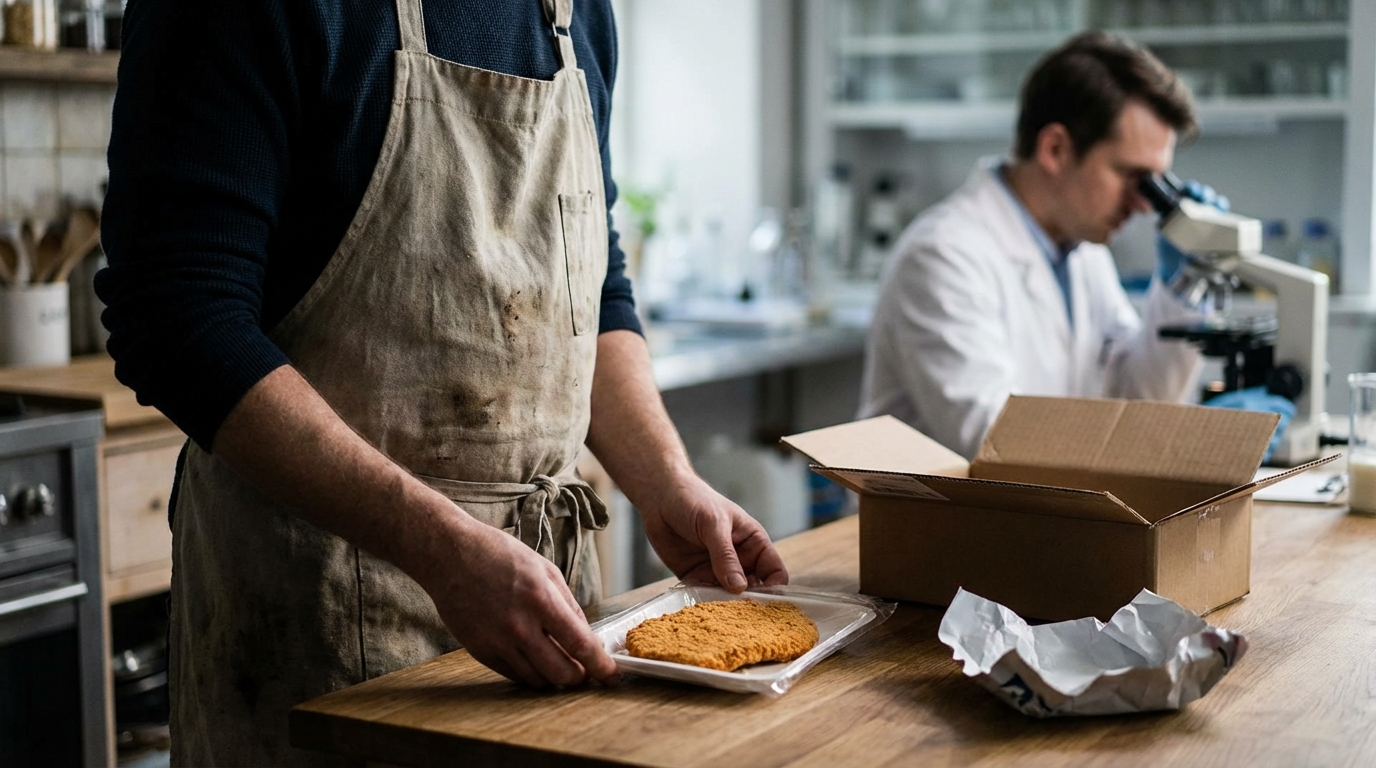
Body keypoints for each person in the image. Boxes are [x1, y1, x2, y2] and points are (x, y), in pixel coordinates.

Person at [96, 1, 788, 765]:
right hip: (320, 631)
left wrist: (665, 481)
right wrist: (446, 550)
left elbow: (593, 290)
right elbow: (177, 317)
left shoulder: (578, 12)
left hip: (548, 618)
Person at [858, 32, 1207, 459]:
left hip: (1040, 515)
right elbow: (996, 440)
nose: (1142, 203)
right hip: (937, 523)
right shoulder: (943, 256)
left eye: (1155, 183)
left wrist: (1182, 292)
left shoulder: (1082, 250)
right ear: (1056, 149)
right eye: (1132, 176)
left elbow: (1133, 397)